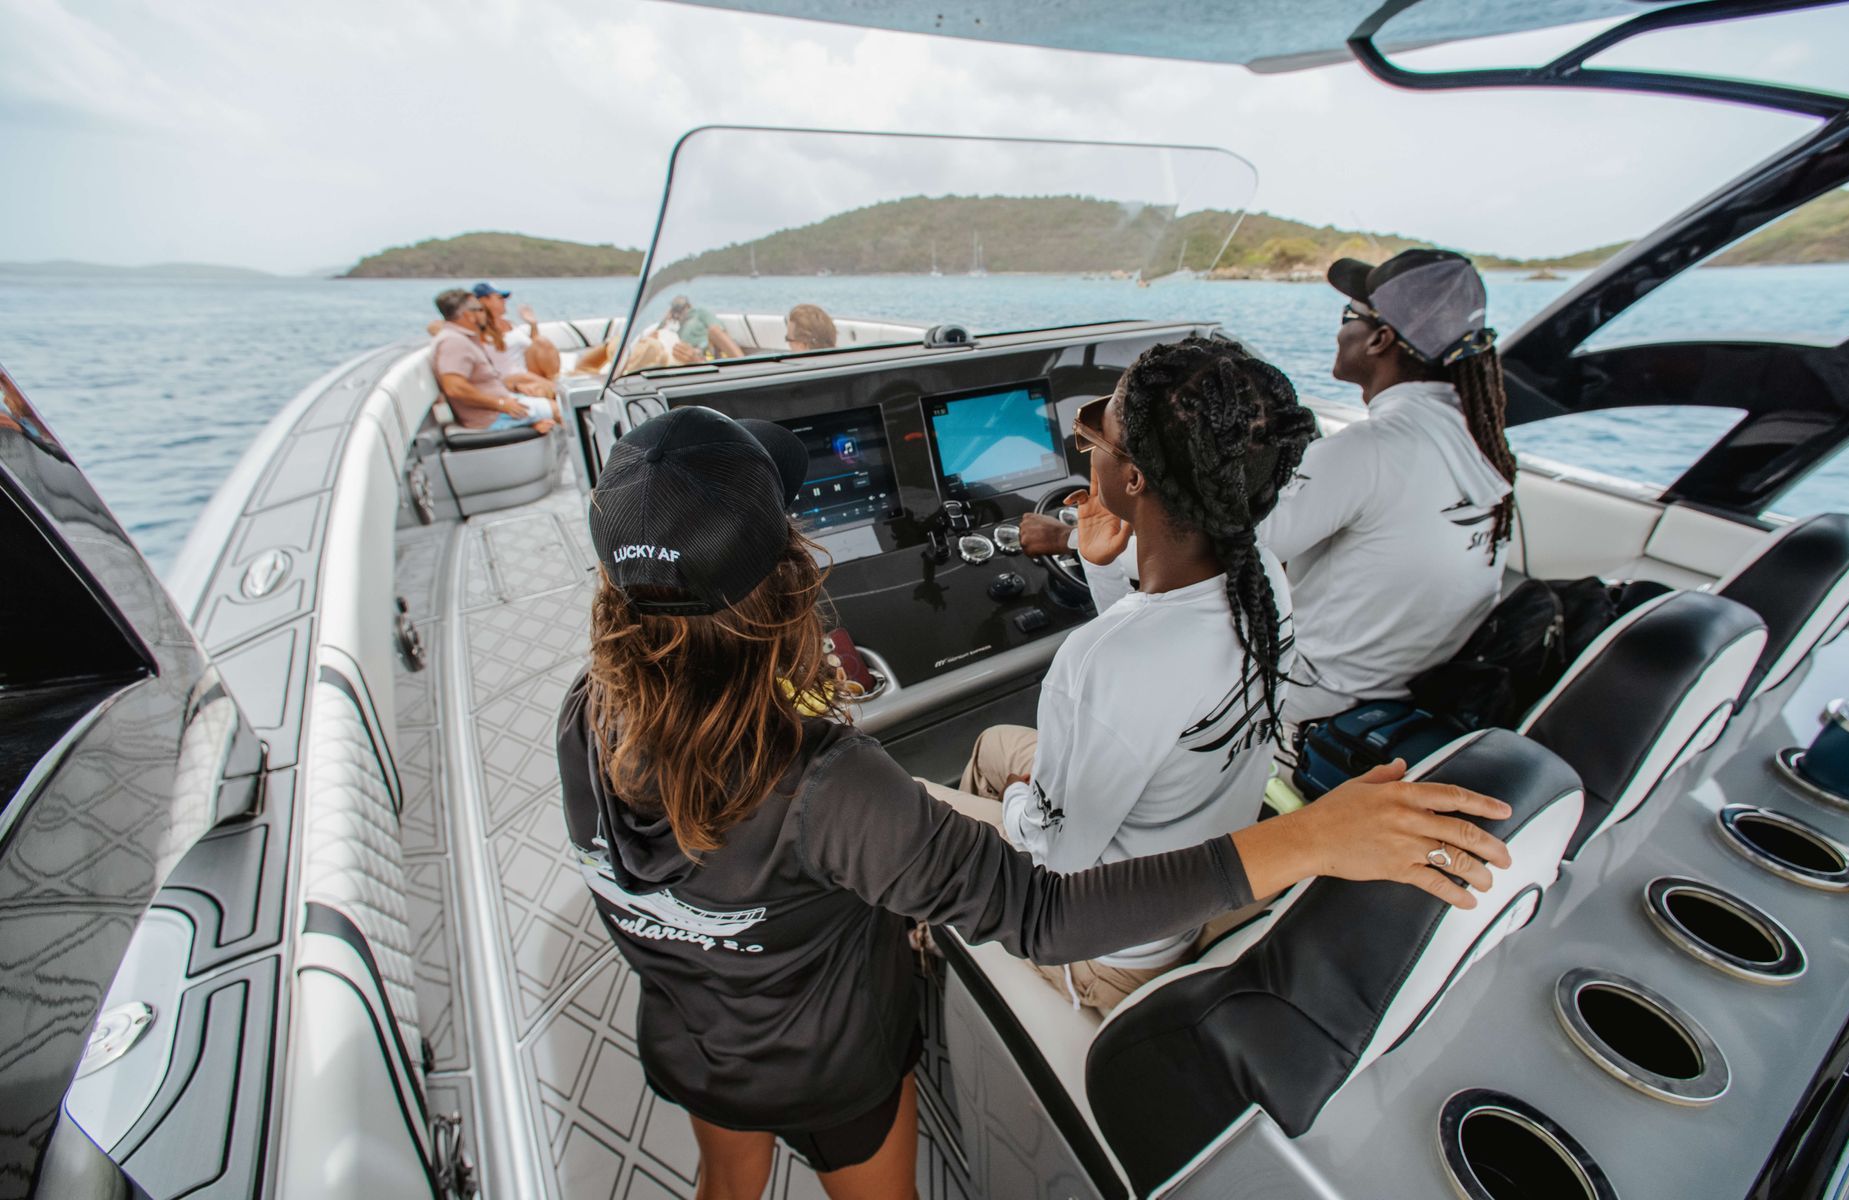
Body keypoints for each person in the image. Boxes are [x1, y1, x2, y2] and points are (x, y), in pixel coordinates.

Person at [557, 404, 1512, 1199]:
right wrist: (1306, 837)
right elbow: (1047, 913)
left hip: (690, 1032)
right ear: (787, 580)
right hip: (828, 1062)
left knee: (725, 1182)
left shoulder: (581, 712)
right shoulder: (828, 786)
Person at [927, 335, 1317, 1013]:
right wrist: (1102, 563)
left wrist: (1025, 798)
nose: (1088, 450)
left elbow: (1055, 869)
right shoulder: (1267, 585)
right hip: (1186, 882)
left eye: (1095, 437)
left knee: (911, 813)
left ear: (1133, 478)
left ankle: (934, 951)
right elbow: (1153, 664)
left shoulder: (1103, 664)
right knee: (995, 743)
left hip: (1108, 950)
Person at [1021, 250, 1517, 732]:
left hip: (1307, 707)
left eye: (1350, 315)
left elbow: (1214, 552)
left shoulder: (1372, 451)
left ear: (1379, 339)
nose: (1340, 327)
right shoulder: (1480, 439)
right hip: (1403, 693)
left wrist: (1072, 541)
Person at [429, 288, 557, 433]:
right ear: (468, 315)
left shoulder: (462, 338)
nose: (485, 313)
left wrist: (514, 389)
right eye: (480, 309)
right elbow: (454, 388)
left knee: (552, 402)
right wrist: (501, 404)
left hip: (500, 406)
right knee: (560, 409)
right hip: (491, 417)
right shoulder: (453, 342)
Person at [654, 294, 744, 362]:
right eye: (676, 310)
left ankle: (742, 363)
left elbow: (718, 331)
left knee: (714, 330)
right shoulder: (678, 331)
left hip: (710, 350)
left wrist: (701, 348)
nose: (679, 313)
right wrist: (665, 319)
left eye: (680, 309)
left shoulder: (699, 313)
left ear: (688, 306)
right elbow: (654, 336)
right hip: (692, 358)